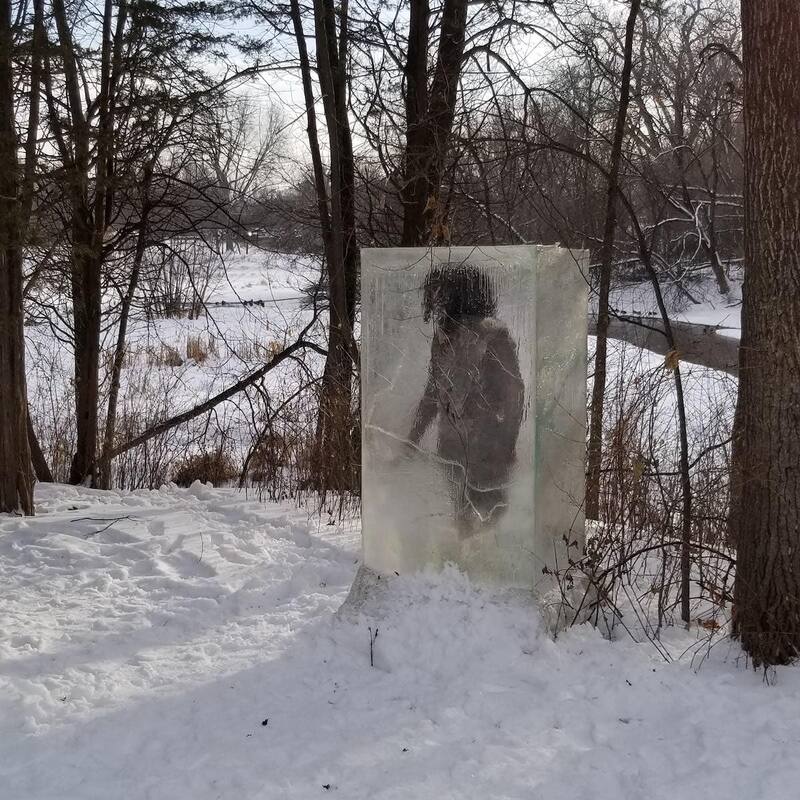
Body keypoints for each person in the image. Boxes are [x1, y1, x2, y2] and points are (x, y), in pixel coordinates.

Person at [406, 263, 525, 538]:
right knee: (468, 522)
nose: (436, 304)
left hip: (486, 451)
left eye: (442, 296)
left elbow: (514, 396)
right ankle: (468, 556)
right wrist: (412, 438)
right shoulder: (445, 338)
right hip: (456, 449)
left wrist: (507, 445)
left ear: (458, 296)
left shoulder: (494, 337)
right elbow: (434, 392)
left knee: (487, 523)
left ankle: (477, 556)